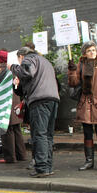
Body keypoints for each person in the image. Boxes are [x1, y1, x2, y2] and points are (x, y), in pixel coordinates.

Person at [8, 47, 59, 177]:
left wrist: (13, 67)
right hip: (52, 99)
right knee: (47, 135)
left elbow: (27, 72)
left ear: (21, 56)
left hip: (39, 100)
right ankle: (47, 166)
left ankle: (41, 167)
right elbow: (27, 83)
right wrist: (17, 85)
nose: (20, 64)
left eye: (19, 61)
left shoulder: (29, 59)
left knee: (39, 134)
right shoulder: (45, 61)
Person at [68, 41, 97, 171]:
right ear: (85, 53)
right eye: (89, 50)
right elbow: (73, 83)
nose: (92, 52)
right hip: (85, 104)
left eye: (93, 50)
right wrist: (72, 71)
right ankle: (89, 161)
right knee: (87, 134)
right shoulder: (81, 65)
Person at [0, 50, 27, 164]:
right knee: (17, 129)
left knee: (7, 130)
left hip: (6, 103)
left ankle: (10, 157)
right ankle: (21, 154)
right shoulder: (16, 69)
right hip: (15, 102)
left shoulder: (2, 71)